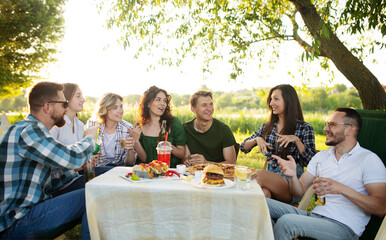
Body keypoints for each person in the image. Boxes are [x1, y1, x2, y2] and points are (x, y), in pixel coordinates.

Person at [268, 108, 386, 240]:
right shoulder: (322, 156)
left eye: (332, 124)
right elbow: (298, 191)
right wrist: (292, 176)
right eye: (327, 123)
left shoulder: (368, 160)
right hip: (314, 217)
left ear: (350, 130)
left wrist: (341, 188)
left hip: (344, 227)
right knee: (260, 203)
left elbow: (381, 207)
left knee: (286, 223)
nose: (325, 128)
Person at [0, 81, 97, 239]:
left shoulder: (34, 131)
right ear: (47, 107)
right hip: (16, 222)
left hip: (28, 211)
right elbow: (71, 157)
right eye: (63, 103)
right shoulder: (29, 130)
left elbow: (53, 175)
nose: (66, 108)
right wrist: (89, 139)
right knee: (93, 196)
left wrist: (75, 169)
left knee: (93, 189)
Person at [240, 84, 316, 203]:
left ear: (288, 100)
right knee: (264, 194)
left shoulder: (304, 128)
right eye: (271, 99)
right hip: (270, 180)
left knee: (258, 174)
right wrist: (257, 139)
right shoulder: (268, 126)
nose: (271, 103)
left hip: (292, 184)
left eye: (276, 99)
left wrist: (296, 140)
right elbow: (243, 147)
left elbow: (311, 162)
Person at [131, 86, 186, 168]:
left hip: (170, 172)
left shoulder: (173, 123)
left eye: (165, 101)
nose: (163, 104)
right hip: (149, 172)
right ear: (148, 103)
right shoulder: (139, 126)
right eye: (158, 100)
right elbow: (143, 159)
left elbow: (181, 154)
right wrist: (136, 141)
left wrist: (169, 146)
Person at [49, 83, 85, 196]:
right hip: (59, 184)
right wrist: (74, 165)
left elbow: (78, 156)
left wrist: (86, 159)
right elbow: (48, 159)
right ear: (66, 100)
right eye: (78, 96)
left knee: (111, 173)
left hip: (75, 178)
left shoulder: (80, 125)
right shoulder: (56, 125)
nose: (83, 100)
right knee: (97, 186)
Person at [183, 90, 237, 165]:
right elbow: (186, 157)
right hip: (194, 174)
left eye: (211, 104)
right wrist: (187, 161)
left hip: (219, 174)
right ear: (193, 109)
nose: (209, 109)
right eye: (204, 105)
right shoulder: (185, 129)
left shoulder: (223, 130)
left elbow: (232, 163)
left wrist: (206, 163)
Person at [92, 93, 137, 167]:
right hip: (98, 169)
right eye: (115, 108)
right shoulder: (93, 126)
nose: (120, 111)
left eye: (121, 107)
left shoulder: (128, 129)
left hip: (119, 170)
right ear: (105, 109)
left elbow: (130, 163)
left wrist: (130, 149)